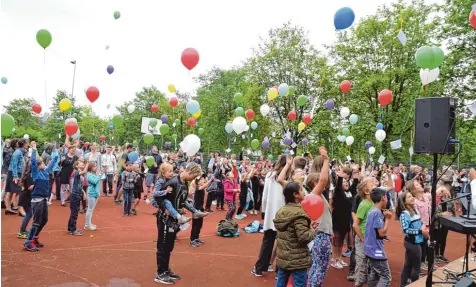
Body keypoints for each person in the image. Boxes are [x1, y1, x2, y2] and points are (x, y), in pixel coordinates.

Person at [155, 162, 202, 284]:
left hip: (174, 219)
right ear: (191, 172)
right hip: (165, 219)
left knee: (169, 246)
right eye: (195, 176)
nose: (194, 179)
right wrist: (166, 211)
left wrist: (186, 209)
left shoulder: (184, 183)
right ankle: (160, 273)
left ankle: (165, 270)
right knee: (163, 246)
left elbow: (181, 200)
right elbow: (157, 198)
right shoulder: (172, 182)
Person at [274, 182, 315, 287]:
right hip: (298, 259)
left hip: (283, 256)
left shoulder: (281, 211)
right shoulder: (299, 213)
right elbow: (303, 237)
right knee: (299, 284)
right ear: (295, 194)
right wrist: (312, 230)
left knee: (280, 282)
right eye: (301, 190)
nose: (304, 192)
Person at [23, 141, 59, 251]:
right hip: (37, 201)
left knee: (44, 220)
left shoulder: (46, 172)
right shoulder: (35, 173)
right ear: (38, 166)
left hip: (43, 200)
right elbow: (33, 161)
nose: (45, 164)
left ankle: (34, 237)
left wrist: (57, 152)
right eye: (43, 163)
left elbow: (52, 163)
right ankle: (28, 242)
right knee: (36, 221)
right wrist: (34, 149)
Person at [307, 148, 331, 287]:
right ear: (315, 183)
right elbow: (323, 179)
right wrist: (326, 160)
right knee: (321, 268)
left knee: (316, 267)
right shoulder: (314, 195)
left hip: (322, 234)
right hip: (320, 236)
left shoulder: (316, 196)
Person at [396, 191, 427, 286]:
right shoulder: (404, 214)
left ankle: (403, 285)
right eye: (409, 197)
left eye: (411, 196)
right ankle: (414, 284)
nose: (412, 198)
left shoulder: (415, 210)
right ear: (404, 202)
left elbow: (420, 223)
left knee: (408, 266)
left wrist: (423, 227)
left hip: (418, 241)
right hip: (412, 243)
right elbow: (405, 230)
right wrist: (420, 231)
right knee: (416, 267)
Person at [353, 176, 379, 287]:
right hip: (363, 240)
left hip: (372, 240)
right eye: (372, 183)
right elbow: (355, 224)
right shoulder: (364, 205)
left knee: (372, 266)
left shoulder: (375, 203)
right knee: (361, 267)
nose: (375, 183)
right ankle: (358, 283)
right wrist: (363, 238)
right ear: (367, 191)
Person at [364, 188, 392, 287]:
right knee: (386, 277)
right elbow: (382, 233)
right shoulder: (377, 213)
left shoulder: (372, 210)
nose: (388, 200)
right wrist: (387, 219)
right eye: (387, 197)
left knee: (375, 274)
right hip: (376, 250)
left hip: (370, 248)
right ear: (383, 198)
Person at [5, 138, 29, 214]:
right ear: (24, 144)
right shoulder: (18, 152)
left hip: (14, 173)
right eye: (27, 143)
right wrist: (15, 176)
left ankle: (9, 208)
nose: (28, 144)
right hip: (14, 173)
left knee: (11, 192)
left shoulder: (21, 152)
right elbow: (14, 165)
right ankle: (19, 209)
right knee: (17, 192)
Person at [67, 157, 89, 236]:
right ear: (76, 166)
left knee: (74, 212)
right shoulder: (76, 172)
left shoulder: (80, 174)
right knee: (74, 213)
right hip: (75, 195)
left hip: (77, 194)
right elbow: (85, 171)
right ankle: (73, 230)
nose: (82, 163)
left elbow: (79, 185)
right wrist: (87, 163)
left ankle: (70, 228)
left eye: (83, 162)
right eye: (80, 162)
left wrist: (83, 193)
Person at [190, 174, 213, 247]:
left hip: (200, 208)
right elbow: (203, 186)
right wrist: (210, 180)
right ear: (198, 182)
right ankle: (192, 240)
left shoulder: (202, 188)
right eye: (201, 179)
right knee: (195, 225)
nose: (203, 180)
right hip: (196, 209)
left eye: (203, 179)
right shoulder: (198, 188)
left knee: (200, 225)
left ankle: (196, 238)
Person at [85, 162, 106, 230]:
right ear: (90, 167)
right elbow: (95, 181)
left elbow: (98, 177)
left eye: (95, 166)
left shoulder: (93, 174)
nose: (95, 167)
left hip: (95, 193)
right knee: (90, 210)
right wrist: (99, 175)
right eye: (94, 166)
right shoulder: (88, 174)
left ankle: (89, 223)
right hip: (91, 193)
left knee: (91, 209)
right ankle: (87, 225)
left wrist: (103, 170)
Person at [18, 156, 34, 239]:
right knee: (29, 214)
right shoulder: (30, 175)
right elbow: (30, 187)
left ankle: (23, 230)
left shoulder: (28, 174)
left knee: (29, 214)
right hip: (26, 197)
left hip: (26, 196)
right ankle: (22, 231)